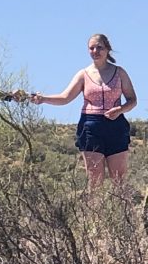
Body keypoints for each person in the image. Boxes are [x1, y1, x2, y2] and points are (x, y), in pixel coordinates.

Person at [29, 33, 137, 188]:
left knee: (119, 181)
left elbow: (133, 100)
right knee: (94, 181)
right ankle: (93, 212)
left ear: (107, 49)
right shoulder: (83, 74)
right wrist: (43, 99)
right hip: (90, 127)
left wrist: (120, 110)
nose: (95, 51)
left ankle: (125, 212)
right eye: (91, 48)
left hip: (116, 127)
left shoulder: (120, 73)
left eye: (99, 47)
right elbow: (65, 97)